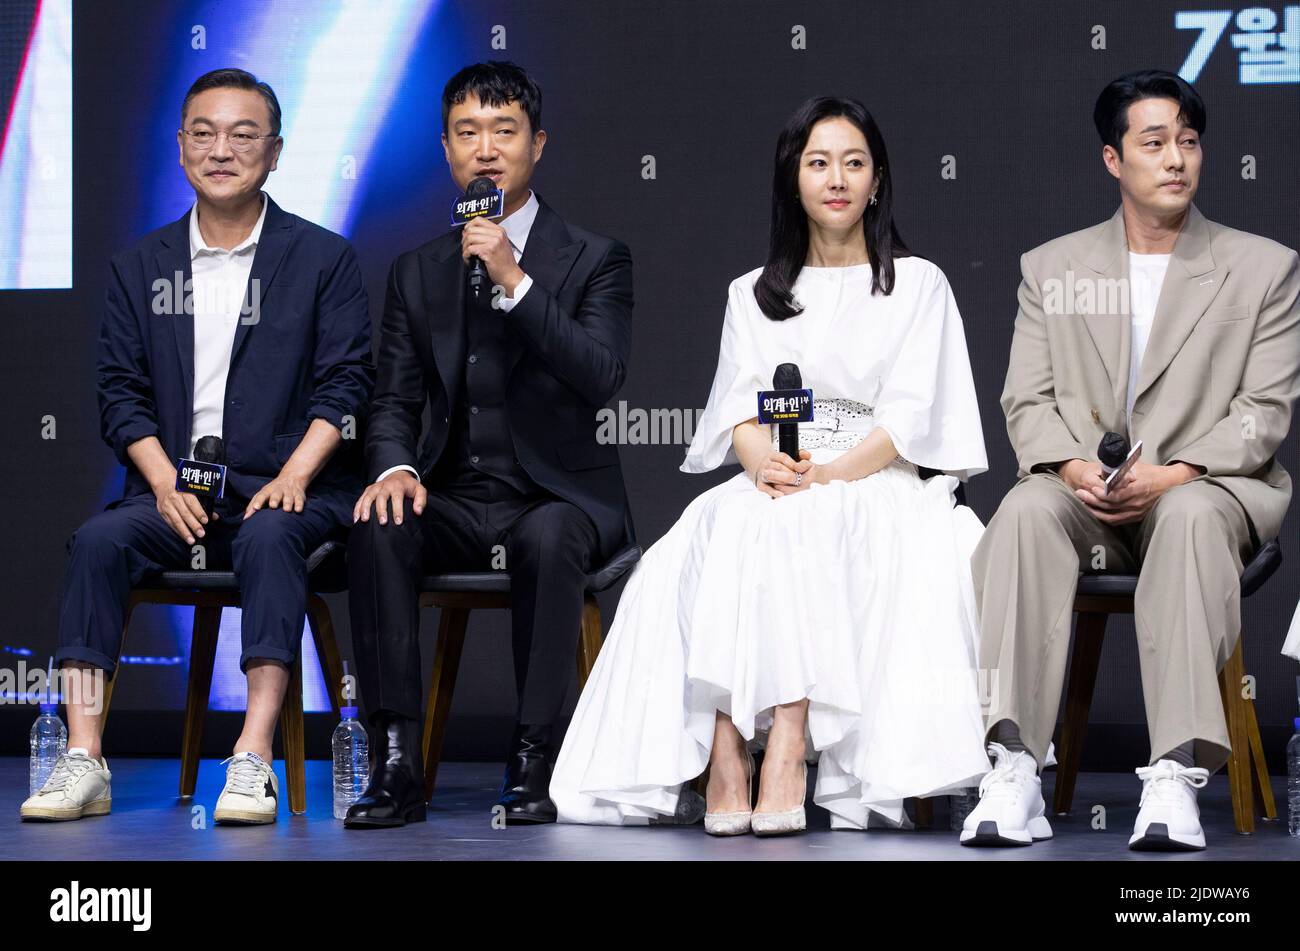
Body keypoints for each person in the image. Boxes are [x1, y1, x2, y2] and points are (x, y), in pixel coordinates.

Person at [549, 96, 991, 835]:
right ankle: (726, 748)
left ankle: (785, 741)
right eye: (818, 163)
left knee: (802, 522)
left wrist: (831, 473)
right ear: (794, 179)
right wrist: (763, 467)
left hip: (874, 478)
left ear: (878, 181)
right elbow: (738, 414)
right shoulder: (752, 293)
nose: (837, 178)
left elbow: (911, 419)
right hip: (780, 472)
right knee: (715, 524)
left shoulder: (917, 285)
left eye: (854, 163)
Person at [20, 68, 374, 825]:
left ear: (274, 152)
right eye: (205, 134)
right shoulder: (139, 266)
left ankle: (251, 758)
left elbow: (346, 387)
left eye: (243, 135)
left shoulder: (322, 261)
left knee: (273, 532)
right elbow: (120, 394)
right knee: (96, 541)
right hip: (175, 490)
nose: (223, 150)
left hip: (289, 488)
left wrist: (294, 474)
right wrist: (158, 480)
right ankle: (83, 755)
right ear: (181, 148)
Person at [963, 69, 1300, 851]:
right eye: (1154, 143)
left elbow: (1265, 412)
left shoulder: (1263, 267)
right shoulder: (1052, 268)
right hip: (1093, 501)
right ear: (1114, 159)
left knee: (1183, 515)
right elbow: (1027, 402)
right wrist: (1075, 469)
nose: (1176, 159)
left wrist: (1177, 472)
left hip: (1207, 495)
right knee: (1024, 510)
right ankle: (1012, 764)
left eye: (1188, 141)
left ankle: (1175, 774)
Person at [344, 61, 635, 828]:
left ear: (536, 143)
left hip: (553, 495)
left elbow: (600, 373)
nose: (486, 149)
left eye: (503, 131)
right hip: (452, 493)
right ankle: (396, 761)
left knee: (550, 535)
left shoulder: (594, 258)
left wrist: (516, 281)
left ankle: (535, 759)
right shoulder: (416, 272)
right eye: (467, 133)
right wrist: (396, 467)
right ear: (446, 150)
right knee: (377, 519)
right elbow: (394, 399)